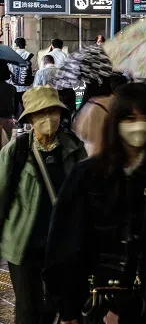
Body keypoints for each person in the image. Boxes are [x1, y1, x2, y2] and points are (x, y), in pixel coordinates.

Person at [44, 82, 146, 324]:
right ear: (115, 121)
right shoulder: (87, 174)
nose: (139, 126)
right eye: (129, 118)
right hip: (95, 296)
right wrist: (67, 310)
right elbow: (63, 242)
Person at [0, 86, 85, 324]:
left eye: (53, 111)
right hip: (23, 244)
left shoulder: (75, 148)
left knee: (56, 305)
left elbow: (86, 195)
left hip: (62, 243)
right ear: (30, 118)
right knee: (28, 309)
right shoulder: (16, 151)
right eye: (41, 113)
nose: (48, 118)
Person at [10, 37, 35, 114]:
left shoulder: (12, 56)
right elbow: (33, 69)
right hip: (27, 85)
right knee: (26, 104)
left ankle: (16, 121)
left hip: (15, 85)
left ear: (16, 45)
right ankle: (25, 122)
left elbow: (10, 69)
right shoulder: (30, 55)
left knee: (15, 104)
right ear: (25, 44)